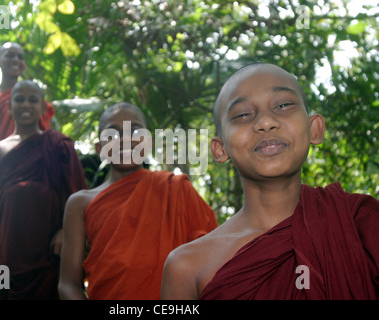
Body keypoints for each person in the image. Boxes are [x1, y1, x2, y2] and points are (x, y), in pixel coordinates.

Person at [160, 62, 379, 300]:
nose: (265, 122)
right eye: (243, 114)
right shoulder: (188, 267)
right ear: (220, 149)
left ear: (314, 128)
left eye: (283, 105)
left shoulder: (360, 225)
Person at [58, 102, 218, 300]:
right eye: (113, 134)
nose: (125, 139)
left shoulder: (175, 188)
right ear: (100, 148)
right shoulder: (80, 202)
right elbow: (68, 283)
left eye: (134, 131)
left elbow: (212, 260)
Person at [0, 80, 87, 300]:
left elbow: (77, 194)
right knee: (3, 290)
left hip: (51, 248)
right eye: (19, 99)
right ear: (8, 107)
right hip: (8, 245)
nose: (25, 105)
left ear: (43, 107)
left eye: (33, 100)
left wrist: (65, 231)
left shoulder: (59, 145)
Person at [0, 42, 54, 299]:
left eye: (19, 56)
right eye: (9, 55)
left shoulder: (36, 100)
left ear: (24, 64)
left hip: (31, 188)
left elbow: (46, 141)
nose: (15, 59)